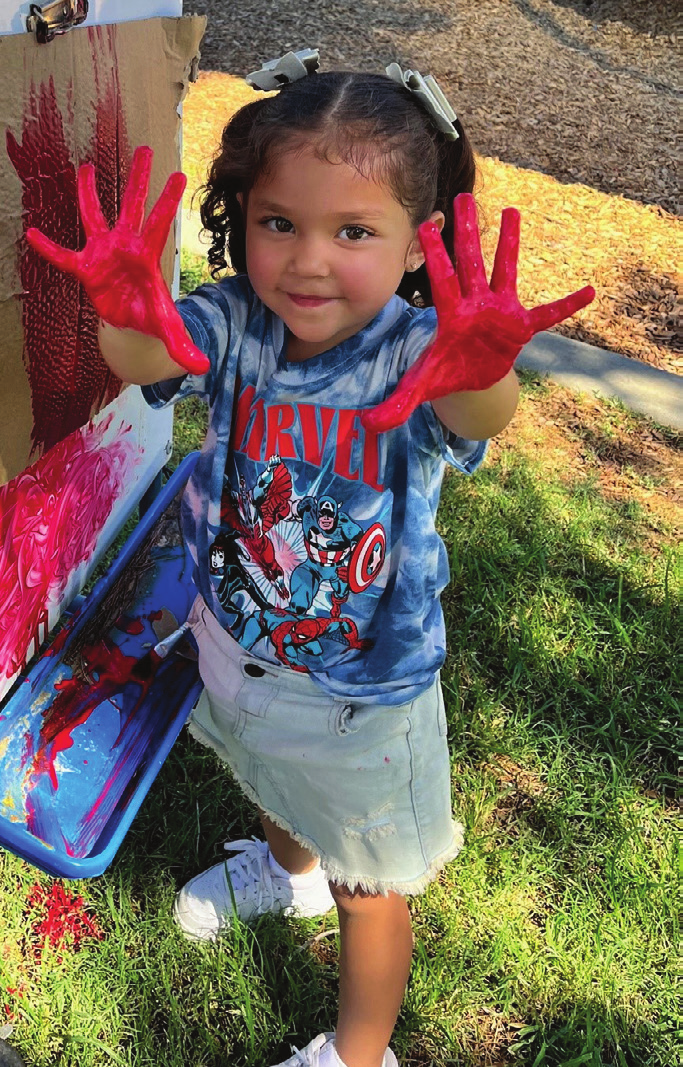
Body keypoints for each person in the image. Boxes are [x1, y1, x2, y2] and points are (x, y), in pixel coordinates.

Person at [27, 49, 594, 1067]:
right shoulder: (239, 321)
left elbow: (477, 413)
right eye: (277, 221)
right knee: (267, 777)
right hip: (239, 639)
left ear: (417, 245)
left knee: (368, 886)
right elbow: (152, 357)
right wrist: (125, 313)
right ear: (241, 219)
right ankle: (283, 875)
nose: (307, 261)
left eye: (352, 231)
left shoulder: (415, 351)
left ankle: (357, 1051)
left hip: (361, 695)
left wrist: (482, 370)